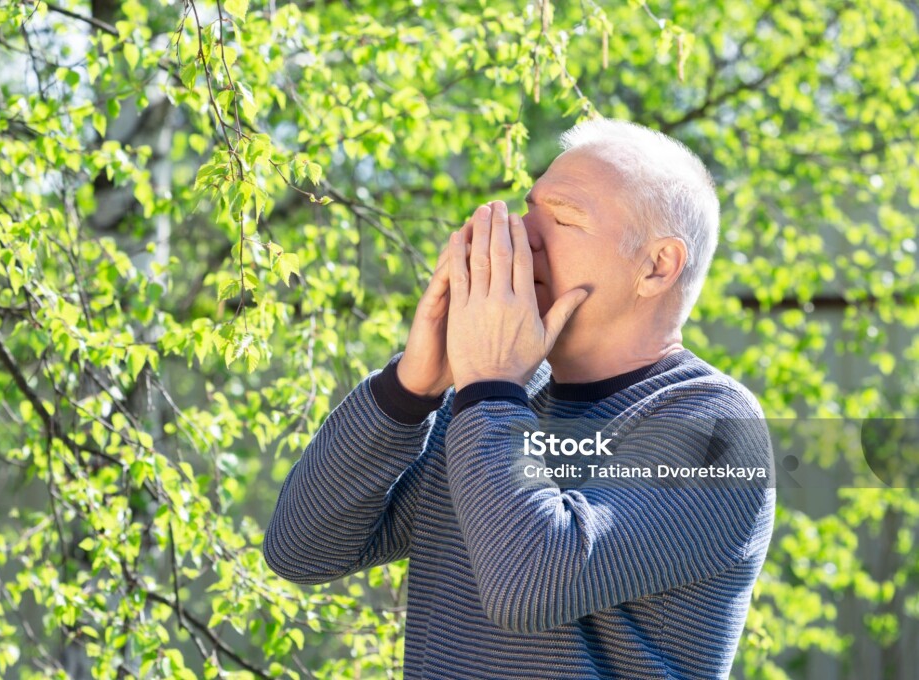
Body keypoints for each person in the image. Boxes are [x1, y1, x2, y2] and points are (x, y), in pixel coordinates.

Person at [264, 118, 776, 679]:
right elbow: (301, 549)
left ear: (657, 267)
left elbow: (527, 586)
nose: (519, 235)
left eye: (561, 217)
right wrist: (407, 390)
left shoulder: (715, 427)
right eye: (527, 209)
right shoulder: (496, 403)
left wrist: (488, 387)